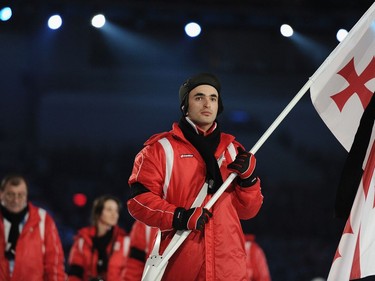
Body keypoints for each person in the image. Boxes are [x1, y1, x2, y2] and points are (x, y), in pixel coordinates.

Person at [127, 73, 264, 280]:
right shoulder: (160, 149)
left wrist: (249, 181)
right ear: (185, 105)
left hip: (228, 270)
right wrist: (179, 217)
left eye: (213, 98)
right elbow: (138, 202)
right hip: (181, 267)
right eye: (199, 97)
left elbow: (248, 211)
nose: (207, 103)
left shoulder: (234, 151)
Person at [0, 174, 66, 281]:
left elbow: (54, 262)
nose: (16, 200)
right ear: (1, 194)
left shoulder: (43, 220)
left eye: (20, 195)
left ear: (26, 196)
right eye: (10, 195)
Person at [67, 195, 129, 281]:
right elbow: (74, 274)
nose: (114, 214)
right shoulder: (83, 241)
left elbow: (132, 274)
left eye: (116, 211)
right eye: (109, 210)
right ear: (98, 212)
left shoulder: (125, 242)